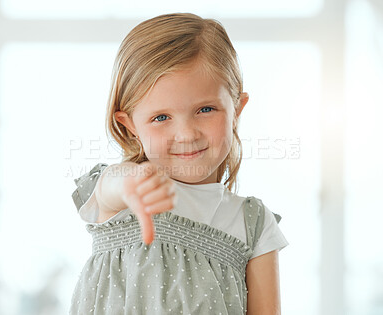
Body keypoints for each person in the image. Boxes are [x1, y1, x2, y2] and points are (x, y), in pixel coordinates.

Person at [69, 12, 289, 315]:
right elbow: (113, 186)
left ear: (237, 108)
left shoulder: (254, 224)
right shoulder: (125, 191)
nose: (186, 134)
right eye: (161, 117)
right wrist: (129, 185)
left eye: (206, 109)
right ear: (130, 124)